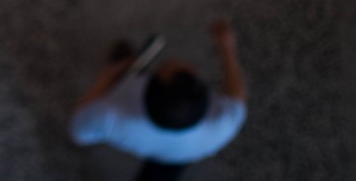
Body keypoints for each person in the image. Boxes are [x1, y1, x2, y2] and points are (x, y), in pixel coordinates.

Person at [69, 20, 247, 181]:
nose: (176, 61)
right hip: (182, 154)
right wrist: (227, 49)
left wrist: (110, 73)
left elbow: (79, 133)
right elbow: (236, 95)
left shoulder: (109, 117)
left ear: (145, 92)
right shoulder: (223, 124)